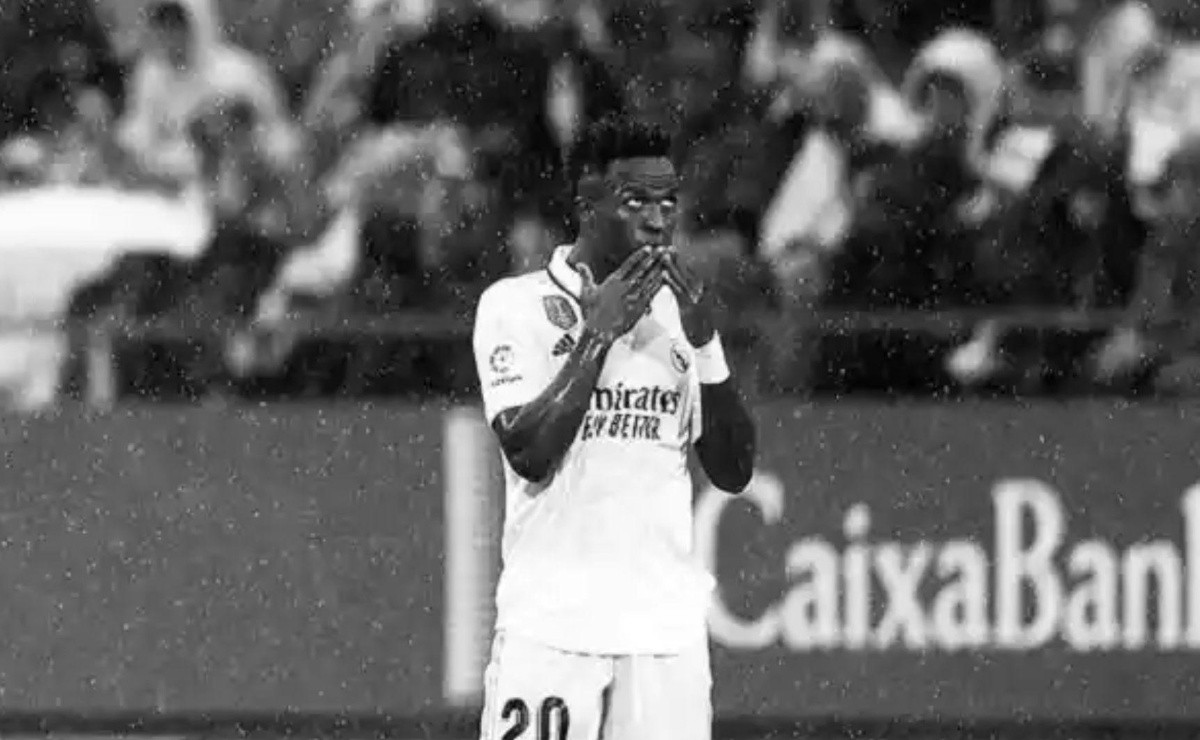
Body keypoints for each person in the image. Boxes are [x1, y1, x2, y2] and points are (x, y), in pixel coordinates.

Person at [470, 116, 757, 740]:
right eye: (635, 202)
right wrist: (597, 336)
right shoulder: (514, 305)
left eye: (668, 202)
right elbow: (529, 452)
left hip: (663, 641)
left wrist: (707, 343)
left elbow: (734, 471)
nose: (657, 220)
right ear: (587, 202)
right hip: (551, 632)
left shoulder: (681, 315)